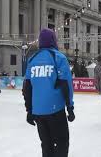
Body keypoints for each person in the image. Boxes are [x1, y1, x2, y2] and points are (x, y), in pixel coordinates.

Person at [23, 28, 75, 157]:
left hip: (38, 112)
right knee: (61, 144)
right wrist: (70, 107)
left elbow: (27, 87)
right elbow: (65, 84)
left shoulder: (32, 59)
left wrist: (29, 110)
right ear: (53, 40)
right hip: (55, 110)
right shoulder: (58, 57)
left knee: (46, 145)